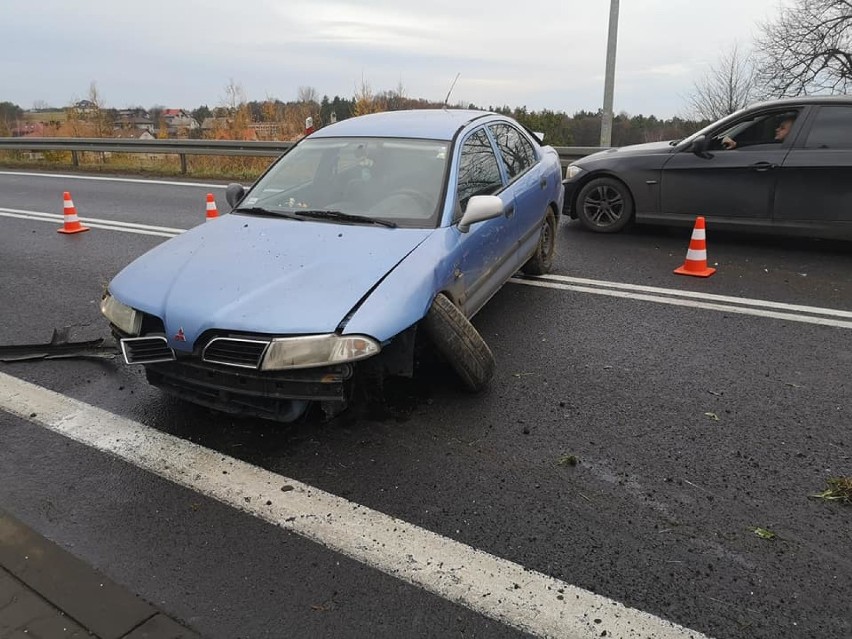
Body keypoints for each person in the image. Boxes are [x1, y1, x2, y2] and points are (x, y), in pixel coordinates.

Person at [722, 114, 795, 150]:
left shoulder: (778, 147)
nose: (777, 129)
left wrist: (736, 144)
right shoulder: (780, 146)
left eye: (782, 128)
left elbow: (762, 144)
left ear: (793, 132)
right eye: (779, 126)